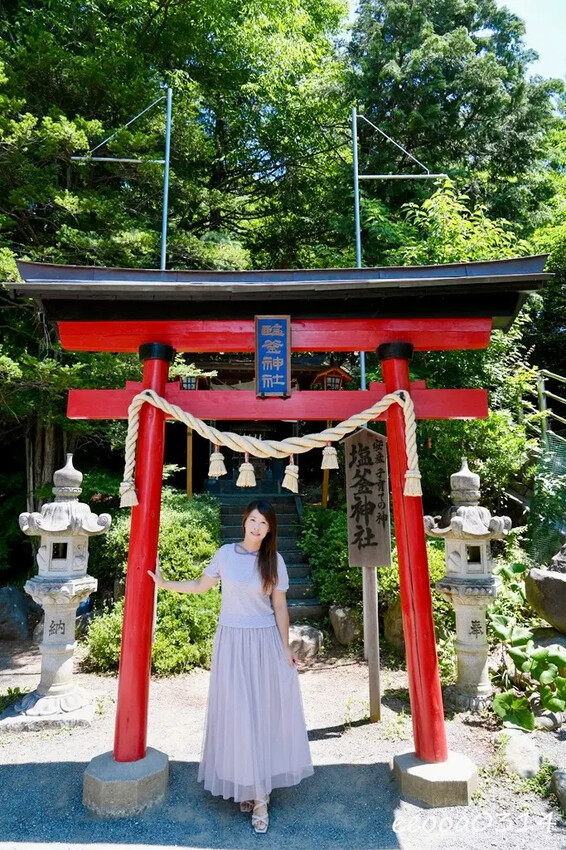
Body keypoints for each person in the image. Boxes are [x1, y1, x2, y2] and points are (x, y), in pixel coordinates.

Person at [148, 498, 313, 834]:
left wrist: (285, 647)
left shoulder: (274, 560)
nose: (256, 527)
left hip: (264, 641)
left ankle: (260, 797)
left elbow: (280, 607)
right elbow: (200, 586)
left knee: (260, 714)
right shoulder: (225, 554)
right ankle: (247, 785)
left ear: (269, 530)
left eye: (263, 524)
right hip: (231, 642)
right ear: (244, 521)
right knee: (238, 714)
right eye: (253, 520)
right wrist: (166, 584)